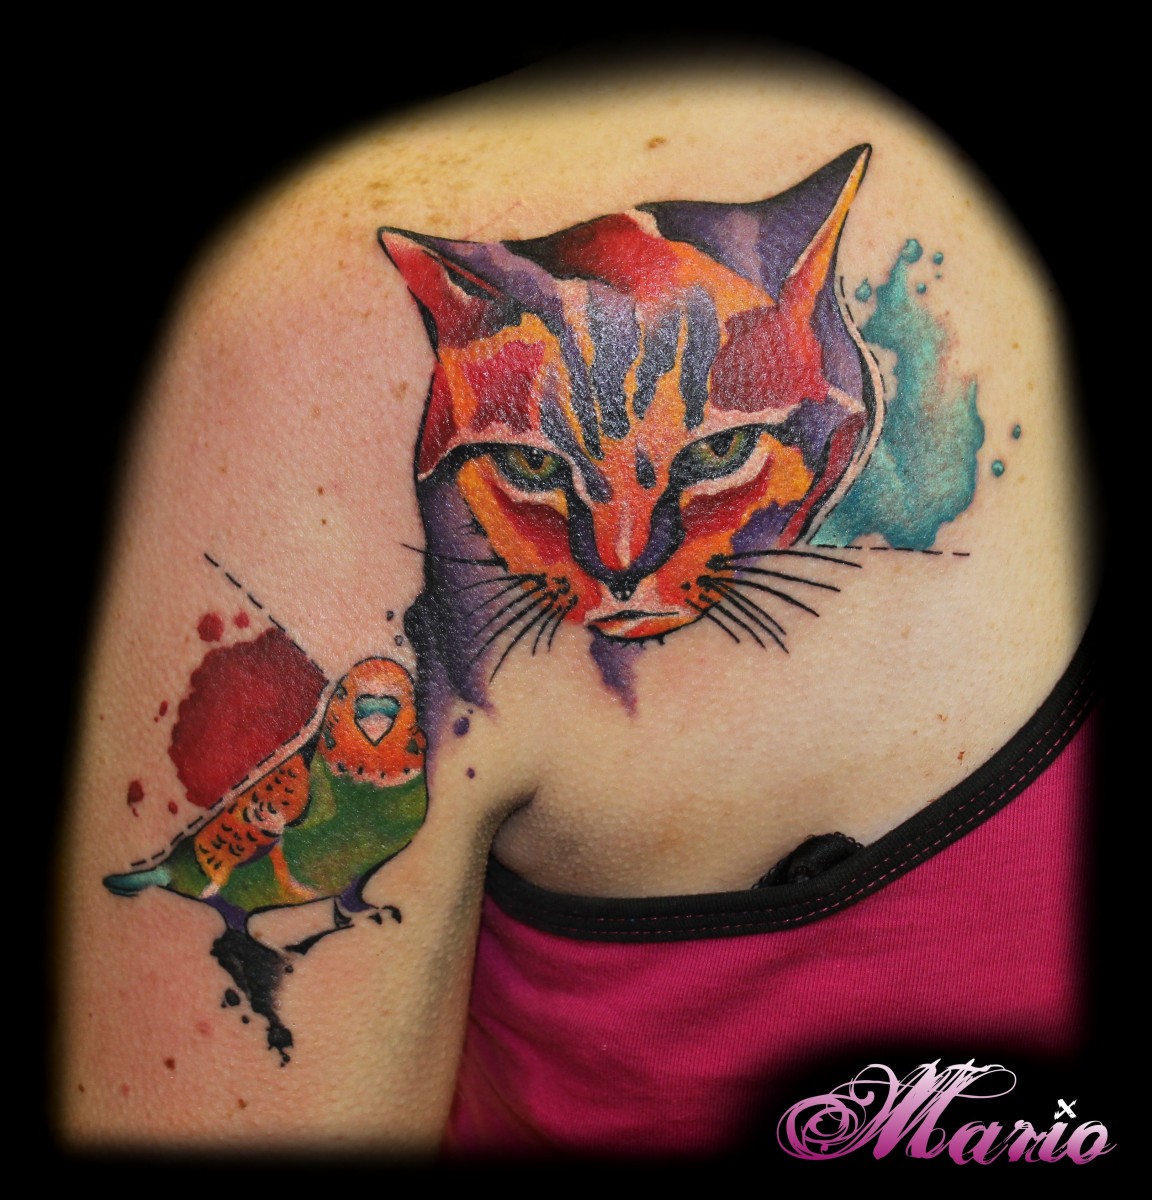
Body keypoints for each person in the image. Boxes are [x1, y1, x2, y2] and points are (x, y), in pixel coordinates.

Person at [58, 37, 1104, 1159]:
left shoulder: (315, 305)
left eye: (714, 459)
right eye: (536, 470)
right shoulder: (331, 321)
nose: (623, 559)